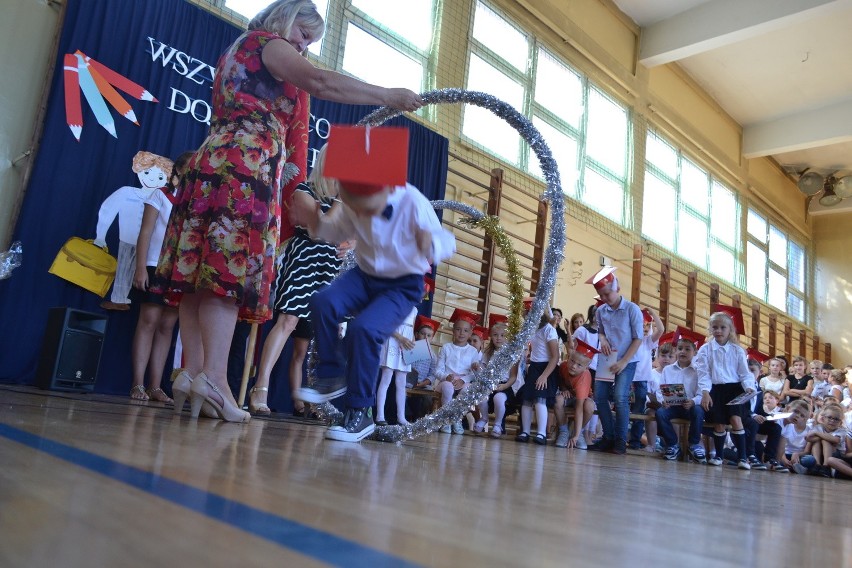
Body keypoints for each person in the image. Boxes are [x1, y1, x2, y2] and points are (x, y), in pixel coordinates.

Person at [151, 0, 423, 423]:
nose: (304, 46)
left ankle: (193, 373)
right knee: (225, 275)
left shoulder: (236, 50)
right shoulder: (269, 44)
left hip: (213, 163)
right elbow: (319, 82)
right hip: (243, 167)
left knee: (198, 273)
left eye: (310, 41)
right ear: (286, 18)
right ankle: (218, 382)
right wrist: (387, 95)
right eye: (304, 34)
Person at [291, 125, 455, 441]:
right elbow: (334, 230)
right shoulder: (353, 199)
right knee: (323, 302)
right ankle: (331, 371)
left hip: (402, 284)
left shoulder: (412, 202)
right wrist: (313, 220)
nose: (360, 206)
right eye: (352, 195)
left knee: (364, 330)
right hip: (364, 276)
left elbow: (446, 241)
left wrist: (428, 244)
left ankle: (359, 413)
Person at [249, 145, 351, 416]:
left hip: (331, 267)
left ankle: (317, 399)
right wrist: (339, 202)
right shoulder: (304, 191)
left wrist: (349, 244)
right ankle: (260, 387)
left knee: (324, 334)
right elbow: (318, 231)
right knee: (288, 321)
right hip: (304, 259)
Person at [129, 152, 188, 403]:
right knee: (149, 320)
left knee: (167, 326)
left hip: (179, 271)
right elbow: (145, 232)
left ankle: (155, 386)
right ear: (178, 171)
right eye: (189, 169)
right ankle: (137, 384)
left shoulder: (196, 203)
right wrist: (140, 267)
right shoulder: (160, 195)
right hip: (154, 265)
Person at [585, 267, 643, 455]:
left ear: (616, 288)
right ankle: (608, 437)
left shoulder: (632, 309)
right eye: (601, 295)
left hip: (628, 360)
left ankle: (620, 440)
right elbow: (601, 331)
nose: (604, 298)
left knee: (620, 397)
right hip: (607, 359)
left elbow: (638, 338)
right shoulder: (601, 311)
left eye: (607, 294)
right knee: (600, 396)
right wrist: (602, 340)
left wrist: (625, 362)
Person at [694, 306, 756, 469]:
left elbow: (744, 373)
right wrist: (705, 392)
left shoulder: (737, 350)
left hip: (735, 389)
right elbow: (704, 373)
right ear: (710, 329)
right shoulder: (705, 350)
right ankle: (719, 456)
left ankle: (742, 458)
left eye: (723, 327)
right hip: (716, 390)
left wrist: (749, 386)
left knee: (736, 420)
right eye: (715, 327)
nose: (719, 331)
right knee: (719, 423)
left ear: (730, 330)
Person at [655, 333, 710, 463]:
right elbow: (660, 390)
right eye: (680, 349)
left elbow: (702, 393)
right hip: (673, 406)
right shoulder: (668, 370)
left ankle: (694, 444)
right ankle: (673, 444)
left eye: (687, 349)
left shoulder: (698, 371)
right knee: (660, 413)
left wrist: (693, 401)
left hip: (690, 407)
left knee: (698, 411)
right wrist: (663, 400)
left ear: (695, 352)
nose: (682, 352)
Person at [515, 298, 560, 445]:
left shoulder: (549, 330)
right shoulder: (533, 329)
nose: (529, 317)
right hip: (534, 367)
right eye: (527, 314)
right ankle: (525, 431)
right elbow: (535, 349)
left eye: (532, 314)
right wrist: (529, 358)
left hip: (547, 369)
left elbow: (555, 357)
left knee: (540, 399)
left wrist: (544, 376)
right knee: (526, 400)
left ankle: (541, 433)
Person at [433, 309, 482, 434]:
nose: (461, 333)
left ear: (471, 332)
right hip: (447, 381)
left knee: (467, 390)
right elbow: (437, 370)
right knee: (448, 388)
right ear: (453, 330)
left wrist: (463, 379)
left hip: (463, 381)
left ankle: (456, 418)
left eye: (466, 330)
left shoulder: (472, 351)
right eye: (458, 329)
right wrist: (446, 377)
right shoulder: (446, 348)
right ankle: (446, 420)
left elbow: (473, 374)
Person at [473, 315, 518, 437]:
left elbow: (513, 376)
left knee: (499, 399)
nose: (499, 338)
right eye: (495, 335)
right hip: (489, 385)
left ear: (508, 337)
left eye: (502, 335)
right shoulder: (488, 353)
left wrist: (504, 386)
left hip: (504, 386)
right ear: (491, 337)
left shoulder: (511, 354)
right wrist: (478, 368)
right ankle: (484, 418)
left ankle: (497, 424)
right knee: (481, 396)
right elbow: (484, 370)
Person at [628, 307, 664, 449]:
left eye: (647, 325)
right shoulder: (629, 340)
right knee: (623, 409)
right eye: (641, 324)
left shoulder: (647, 342)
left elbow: (660, 330)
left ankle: (635, 441)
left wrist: (653, 314)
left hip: (641, 380)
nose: (644, 327)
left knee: (638, 411)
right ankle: (619, 437)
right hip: (627, 378)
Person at [375, 307, 417, 426]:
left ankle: (401, 417)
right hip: (393, 340)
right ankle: (380, 415)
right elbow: (388, 326)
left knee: (401, 383)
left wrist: (412, 341)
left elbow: (412, 328)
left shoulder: (414, 310)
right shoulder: (398, 303)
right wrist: (401, 338)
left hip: (406, 345)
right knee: (386, 378)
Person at [553, 339, 597, 449]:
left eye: (579, 365)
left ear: (586, 368)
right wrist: (563, 389)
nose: (573, 366)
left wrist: (576, 436)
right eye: (572, 361)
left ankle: (578, 433)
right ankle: (564, 431)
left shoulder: (584, 377)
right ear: (569, 358)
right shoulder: (563, 366)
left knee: (590, 406)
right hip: (569, 397)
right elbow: (561, 380)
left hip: (582, 400)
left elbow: (579, 408)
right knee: (557, 400)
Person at [806, 403, 847, 477]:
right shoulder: (818, 427)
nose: (832, 421)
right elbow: (808, 438)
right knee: (817, 441)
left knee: (825, 440)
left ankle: (826, 466)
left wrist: (816, 433)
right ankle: (817, 464)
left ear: (840, 423)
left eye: (836, 419)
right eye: (829, 417)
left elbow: (836, 440)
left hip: (836, 456)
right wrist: (820, 436)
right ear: (823, 418)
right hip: (820, 454)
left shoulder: (841, 431)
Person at [778, 399, 817, 474]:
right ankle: (791, 467)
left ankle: (794, 467)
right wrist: (784, 459)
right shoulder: (788, 425)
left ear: (806, 418)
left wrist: (796, 454)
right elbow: (780, 447)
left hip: (798, 457)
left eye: (802, 415)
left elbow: (807, 451)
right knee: (778, 459)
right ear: (788, 408)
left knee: (810, 459)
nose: (797, 416)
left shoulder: (810, 430)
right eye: (796, 412)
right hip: (784, 454)